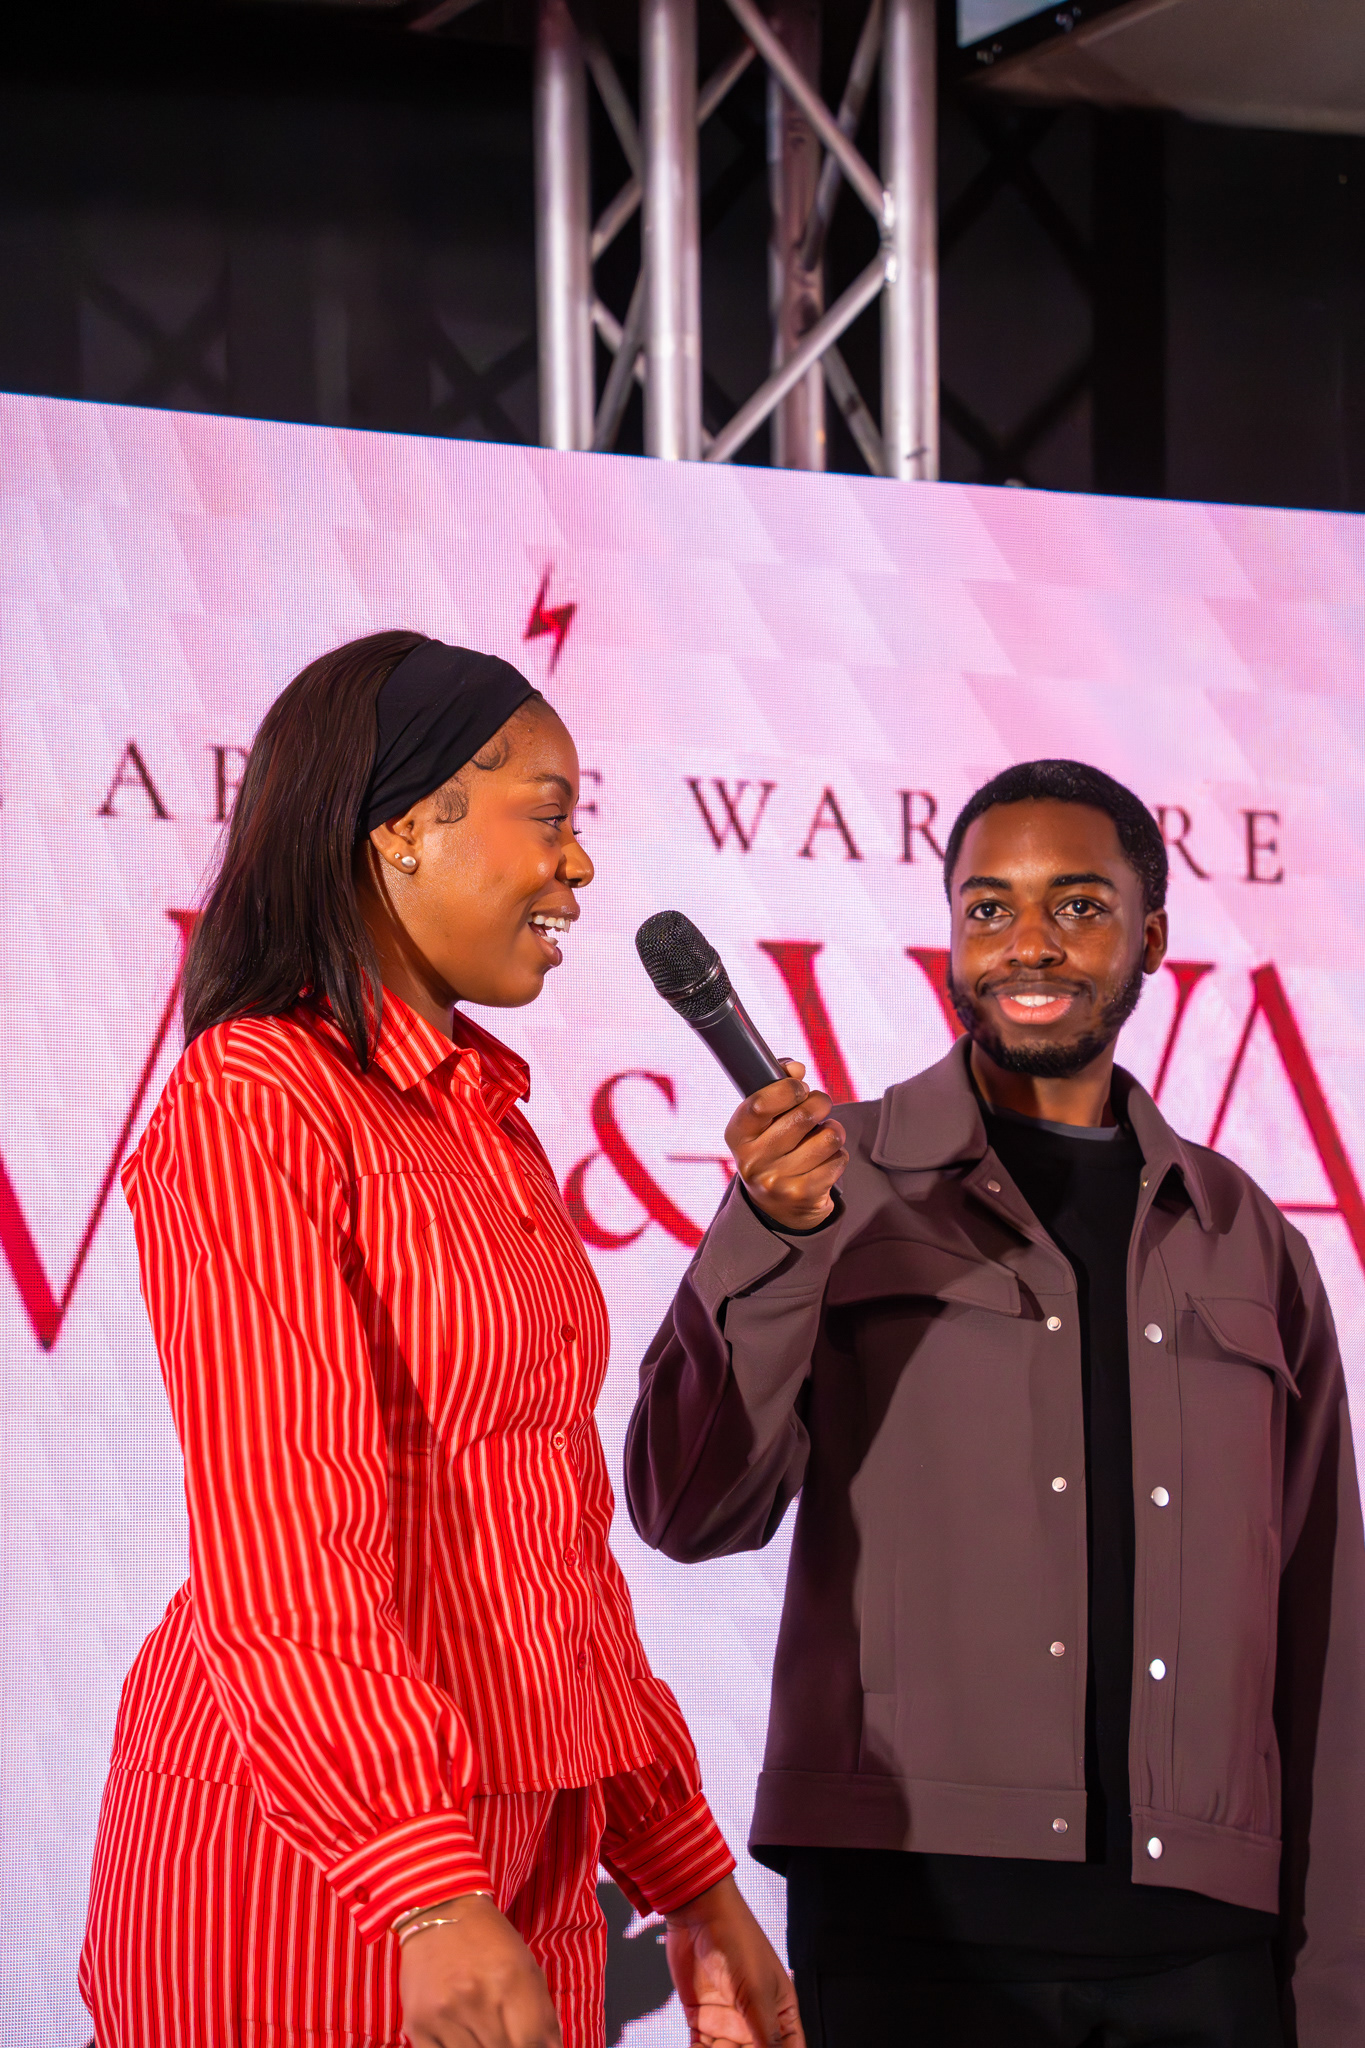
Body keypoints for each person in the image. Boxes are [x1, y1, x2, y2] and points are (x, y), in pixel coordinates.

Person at [80, 632, 803, 2048]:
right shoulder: (255, 1098)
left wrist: (686, 1873)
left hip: (527, 1841)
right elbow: (283, 1534)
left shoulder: (485, 1120)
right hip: (321, 1863)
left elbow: (555, 1548)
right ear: (402, 826)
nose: (578, 866)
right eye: (548, 814)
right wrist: (419, 1887)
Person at [625, 759, 1365, 2048]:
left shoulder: (1249, 1235)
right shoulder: (829, 1182)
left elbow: (1327, 1639)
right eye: (989, 908)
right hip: (909, 1938)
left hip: (1207, 1957)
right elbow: (688, 1509)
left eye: (1078, 905)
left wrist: (1339, 1998)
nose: (1029, 943)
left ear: (1153, 938)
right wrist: (769, 1231)